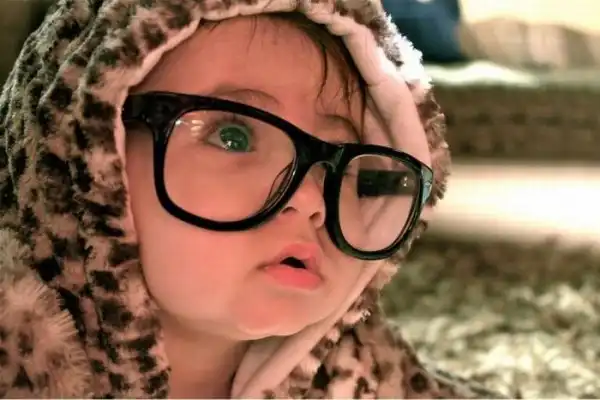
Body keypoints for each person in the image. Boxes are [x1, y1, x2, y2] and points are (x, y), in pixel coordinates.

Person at [0, 0, 499, 398]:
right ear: (83, 155)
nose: (312, 198)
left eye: (339, 160)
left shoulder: (354, 370)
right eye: (233, 136)